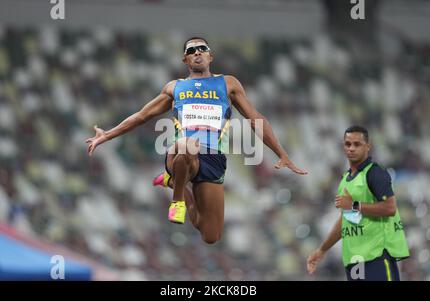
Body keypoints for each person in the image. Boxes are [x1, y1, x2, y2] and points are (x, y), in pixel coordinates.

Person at [86, 37, 307, 244]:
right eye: (191, 50)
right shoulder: (175, 87)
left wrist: (281, 152)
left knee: (210, 235)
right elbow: (142, 115)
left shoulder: (228, 84)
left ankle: (173, 182)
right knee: (187, 145)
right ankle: (177, 200)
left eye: (202, 49)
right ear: (185, 59)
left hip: (213, 158)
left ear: (211, 56)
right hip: (181, 153)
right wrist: (107, 135)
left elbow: (255, 118)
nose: (197, 52)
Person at [306, 125, 409, 281]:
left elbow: (390, 208)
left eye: (357, 144)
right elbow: (347, 219)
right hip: (356, 260)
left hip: (378, 256)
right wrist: (322, 250)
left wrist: (354, 205)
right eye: (348, 144)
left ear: (368, 147)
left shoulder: (375, 173)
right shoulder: (345, 181)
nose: (351, 148)